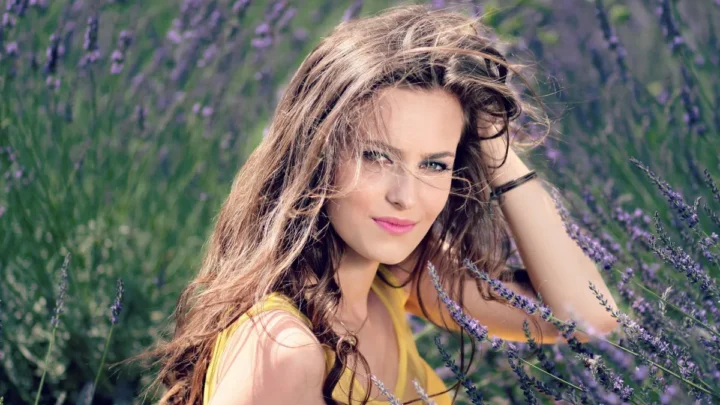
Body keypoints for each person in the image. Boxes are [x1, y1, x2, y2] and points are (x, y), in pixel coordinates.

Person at [134, 4, 619, 404]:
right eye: (376, 156)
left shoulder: (395, 278)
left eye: (434, 164)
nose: (405, 197)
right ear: (316, 153)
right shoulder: (285, 351)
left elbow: (586, 319)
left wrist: (494, 144)